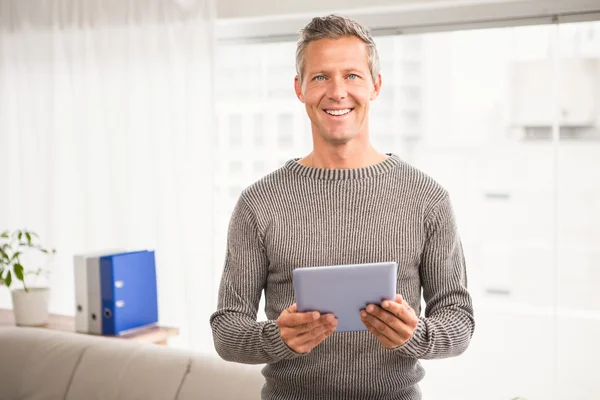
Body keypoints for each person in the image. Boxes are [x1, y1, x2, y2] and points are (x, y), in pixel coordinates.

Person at [209, 14, 475, 400]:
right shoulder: (259, 203)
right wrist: (277, 337)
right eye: (320, 77)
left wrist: (415, 336)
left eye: (352, 75)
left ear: (375, 86)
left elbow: (460, 322)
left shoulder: (426, 198)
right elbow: (227, 332)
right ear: (299, 88)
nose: (337, 92)